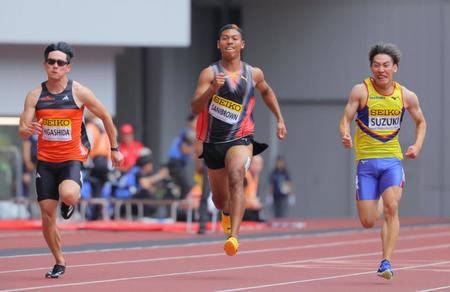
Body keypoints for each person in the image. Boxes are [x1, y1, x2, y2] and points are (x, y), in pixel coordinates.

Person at [18, 42, 124, 279]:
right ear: (45, 65)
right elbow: (22, 129)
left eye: (60, 63)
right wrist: (29, 129)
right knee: (46, 215)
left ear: (68, 67)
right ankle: (59, 260)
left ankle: (70, 202)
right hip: (45, 161)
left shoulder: (79, 92)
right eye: (51, 62)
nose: (55, 66)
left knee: (67, 194)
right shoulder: (35, 95)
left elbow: (106, 116)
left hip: (71, 158)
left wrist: (114, 149)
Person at [191, 24, 287, 256]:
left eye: (235, 38)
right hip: (213, 143)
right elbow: (195, 108)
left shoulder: (254, 73)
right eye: (225, 38)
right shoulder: (209, 73)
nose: (230, 42)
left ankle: (233, 237)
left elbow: (267, 92)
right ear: (219, 44)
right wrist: (212, 89)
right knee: (219, 199)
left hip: (241, 138)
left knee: (236, 175)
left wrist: (279, 118)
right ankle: (226, 214)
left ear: (242, 44)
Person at [339, 43, 426, 280]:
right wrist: (345, 134)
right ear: (371, 67)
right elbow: (345, 118)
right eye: (376, 65)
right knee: (368, 221)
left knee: (392, 207)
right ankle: (376, 199)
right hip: (366, 163)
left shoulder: (406, 95)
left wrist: (417, 145)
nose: (381, 69)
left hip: (392, 161)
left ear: (395, 68)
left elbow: (421, 122)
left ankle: (385, 261)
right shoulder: (360, 91)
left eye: (386, 65)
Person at [167, 114, 197, 199]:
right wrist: (195, 150)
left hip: (178, 163)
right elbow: (184, 149)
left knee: (183, 187)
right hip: (176, 163)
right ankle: (180, 207)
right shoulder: (188, 133)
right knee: (185, 186)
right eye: (196, 121)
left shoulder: (188, 133)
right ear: (190, 123)